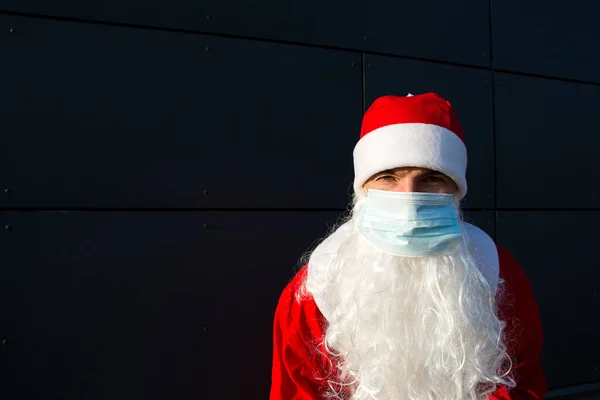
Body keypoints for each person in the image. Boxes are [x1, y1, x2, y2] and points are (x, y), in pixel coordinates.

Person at [269, 93, 546, 400]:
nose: (409, 199)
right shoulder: (314, 290)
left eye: (431, 178)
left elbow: (521, 382)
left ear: (456, 190)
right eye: (388, 177)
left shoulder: (497, 272)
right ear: (362, 190)